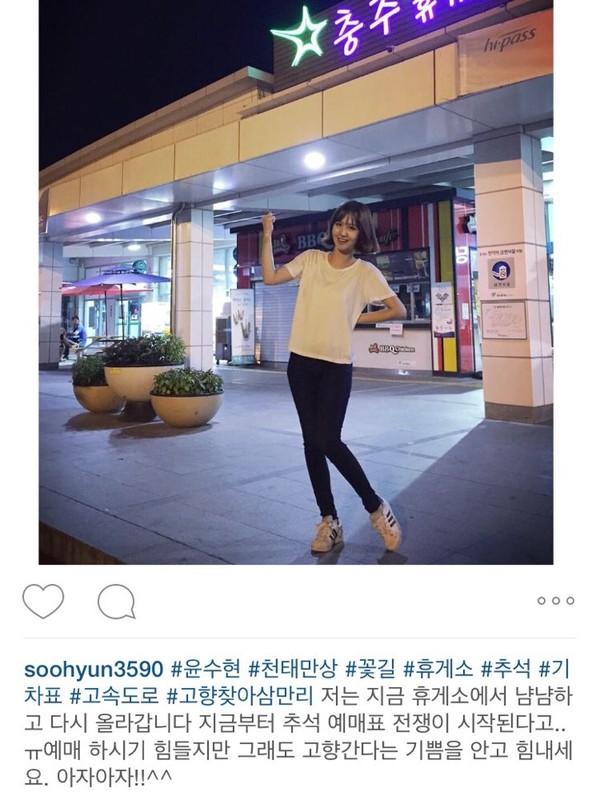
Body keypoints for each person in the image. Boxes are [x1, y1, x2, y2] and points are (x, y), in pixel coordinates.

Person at [261, 200, 407, 554]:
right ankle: (329, 522)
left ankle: (375, 507)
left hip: (336, 366)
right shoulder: (311, 259)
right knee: (312, 443)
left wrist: (355, 318)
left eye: (352, 227)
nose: (343, 232)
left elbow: (397, 309)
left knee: (328, 439)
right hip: (301, 363)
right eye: (339, 224)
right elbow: (269, 277)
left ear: (361, 234)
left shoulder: (364, 272)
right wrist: (267, 235)